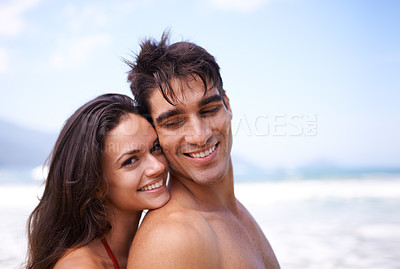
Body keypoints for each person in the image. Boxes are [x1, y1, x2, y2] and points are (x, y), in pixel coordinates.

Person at [125, 32, 280, 268]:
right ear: (153, 131)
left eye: (208, 110)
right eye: (173, 122)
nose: (200, 135)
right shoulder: (171, 238)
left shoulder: (234, 212)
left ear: (227, 105)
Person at [26, 93, 170, 269]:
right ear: (95, 185)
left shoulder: (144, 250)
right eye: (131, 160)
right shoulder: (81, 266)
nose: (157, 167)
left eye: (155, 148)